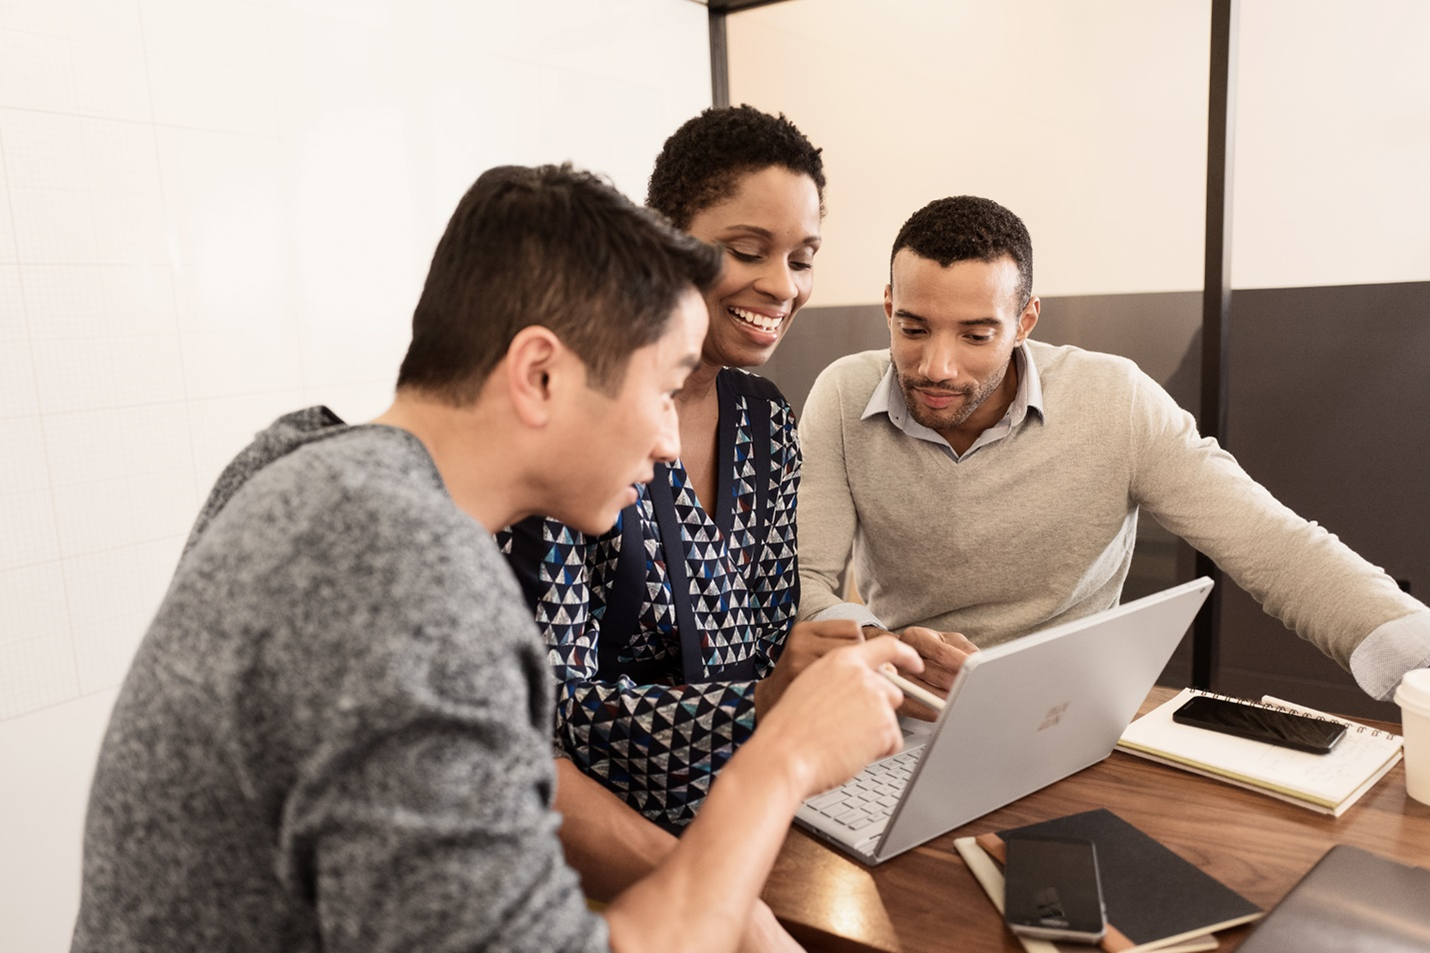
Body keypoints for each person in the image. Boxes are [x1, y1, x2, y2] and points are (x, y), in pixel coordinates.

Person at [71, 163, 921, 953]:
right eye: (662, 389)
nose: (670, 441)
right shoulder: (409, 576)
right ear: (540, 374)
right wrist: (783, 763)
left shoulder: (298, 460)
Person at [500, 107, 962, 833]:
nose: (783, 286)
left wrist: (867, 649)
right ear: (662, 240)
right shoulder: (575, 421)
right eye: (748, 250)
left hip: (768, 793)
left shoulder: (764, 417)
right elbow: (551, 714)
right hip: (616, 828)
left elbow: (772, 636)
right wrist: (757, 702)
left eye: (802, 258)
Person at [796, 194, 1430, 702]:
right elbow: (802, 582)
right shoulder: (843, 394)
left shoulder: (1114, 399)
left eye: (976, 335)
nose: (937, 366)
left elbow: (1275, 547)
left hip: (1065, 711)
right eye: (913, 328)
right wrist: (882, 645)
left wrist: (1418, 653)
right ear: (888, 308)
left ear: (1024, 323)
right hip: (900, 703)